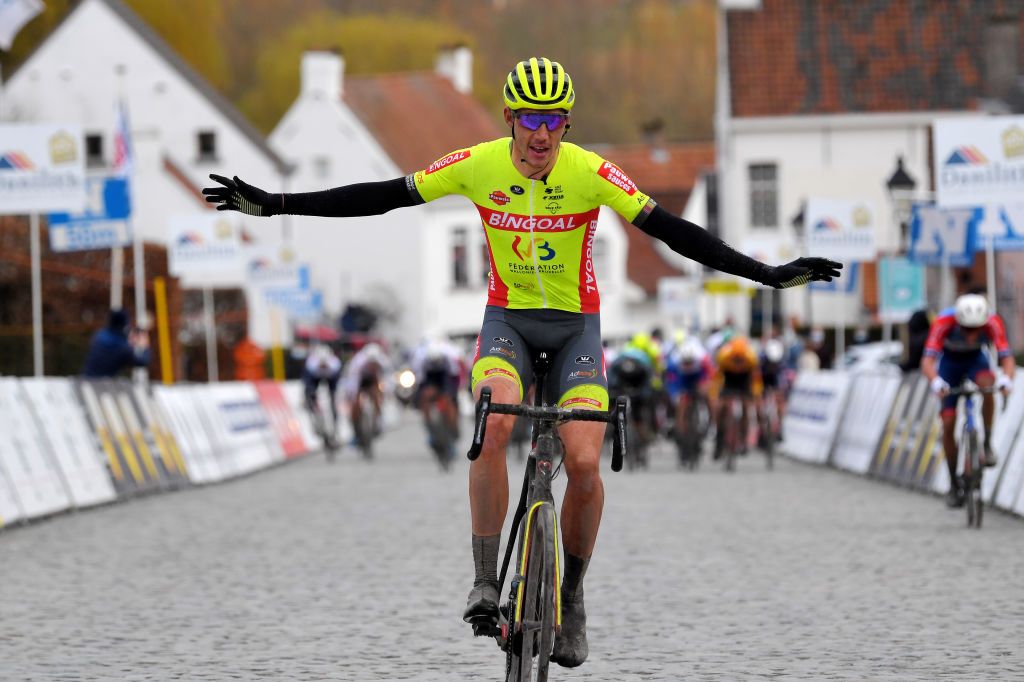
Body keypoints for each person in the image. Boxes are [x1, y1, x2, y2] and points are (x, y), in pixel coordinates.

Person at [202, 56, 841, 667]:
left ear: (568, 124)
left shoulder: (590, 172)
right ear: (510, 118)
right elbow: (383, 196)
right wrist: (277, 204)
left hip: (577, 331)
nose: (541, 133)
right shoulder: (476, 167)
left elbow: (674, 229)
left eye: (553, 119)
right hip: (505, 322)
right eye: (530, 119)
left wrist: (768, 275)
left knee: (586, 463)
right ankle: (485, 581)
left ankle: (571, 598)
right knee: (494, 425)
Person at [920, 294, 1014, 508]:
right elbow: (927, 361)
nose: (971, 335)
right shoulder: (944, 321)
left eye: (976, 330)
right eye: (966, 329)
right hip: (949, 365)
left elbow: (1006, 357)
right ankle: (954, 483)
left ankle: (987, 444)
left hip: (975, 361)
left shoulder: (992, 321)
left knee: (988, 385)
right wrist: (936, 381)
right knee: (948, 423)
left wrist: (1007, 379)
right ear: (958, 321)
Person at [711, 334, 762, 459]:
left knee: (746, 408)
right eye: (736, 359)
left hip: (744, 381)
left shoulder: (751, 358)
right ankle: (719, 440)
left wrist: (756, 393)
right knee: (720, 409)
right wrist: (714, 394)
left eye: (740, 360)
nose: (738, 363)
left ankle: (743, 438)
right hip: (729, 381)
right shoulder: (724, 357)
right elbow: (717, 378)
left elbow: (756, 378)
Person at [410, 337, 464, 448]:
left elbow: (453, 375)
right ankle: (428, 424)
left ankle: (453, 425)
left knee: (449, 398)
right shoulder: (421, 359)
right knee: (423, 396)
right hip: (428, 377)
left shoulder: (447, 357)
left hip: (445, 376)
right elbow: (420, 380)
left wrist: (451, 393)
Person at [342, 342, 392, 439]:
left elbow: (387, 378)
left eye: (374, 364)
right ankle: (356, 428)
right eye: (370, 364)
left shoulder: (383, 361)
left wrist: (387, 391)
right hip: (359, 380)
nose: (372, 366)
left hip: (374, 379)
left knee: (377, 397)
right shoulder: (358, 362)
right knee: (355, 403)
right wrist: (352, 395)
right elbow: (353, 381)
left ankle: (377, 421)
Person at [82, 309, 151, 378]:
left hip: (86, 380)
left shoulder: (99, 335)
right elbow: (142, 362)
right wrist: (145, 346)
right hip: (101, 385)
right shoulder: (122, 348)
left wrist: (129, 341)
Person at [302, 345, 343, 441]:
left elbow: (337, 380)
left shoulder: (335, 364)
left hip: (331, 379)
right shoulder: (311, 364)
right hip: (315, 379)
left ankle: (335, 424)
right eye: (321, 363)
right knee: (310, 393)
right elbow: (307, 381)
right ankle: (312, 411)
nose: (323, 365)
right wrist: (309, 394)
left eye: (325, 364)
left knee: (334, 400)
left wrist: (334, 394)